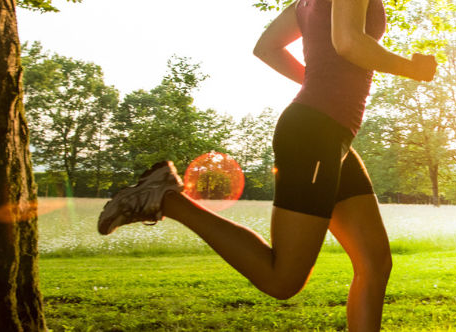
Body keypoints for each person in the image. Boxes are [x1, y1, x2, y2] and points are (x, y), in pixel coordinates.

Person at [95, 0, 437, 330]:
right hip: (315, 134)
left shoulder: (304, 3)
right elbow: (348, 42)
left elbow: (267, 47)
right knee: (283, 279)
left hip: (329, 134)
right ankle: (166, 198)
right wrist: (411, 68)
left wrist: (319, 81)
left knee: (374, 262)